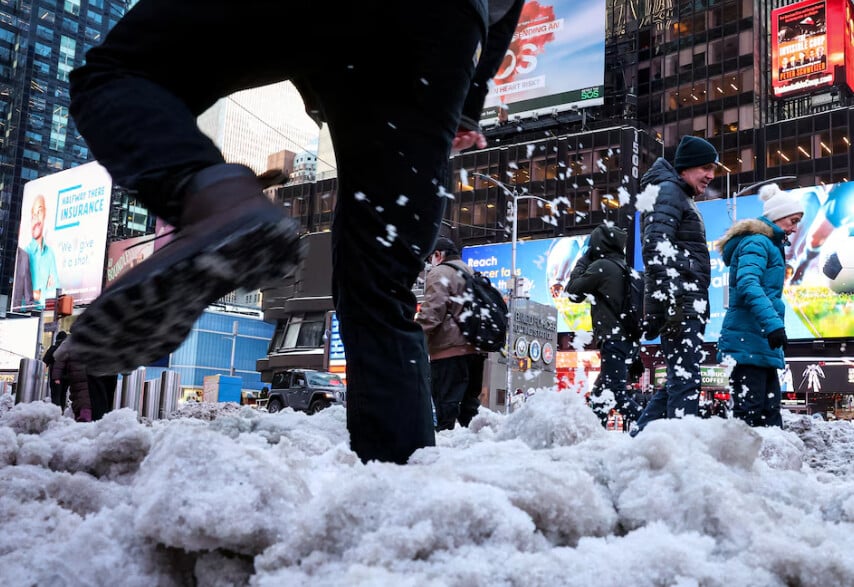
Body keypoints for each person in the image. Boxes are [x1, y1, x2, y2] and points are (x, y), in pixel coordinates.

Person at [65, 0, 524, 464]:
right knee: (379, 290)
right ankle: (399, 486)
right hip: (439, 31)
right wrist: (468, 102)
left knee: (118, 73)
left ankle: (213, 199)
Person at [632, 135, 716, 435]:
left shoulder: (677, 194)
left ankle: (639, 439)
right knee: (685, 379)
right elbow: (655, 248)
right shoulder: (669, 191)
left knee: (681, 379)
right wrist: (676, 300)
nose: (711, 175)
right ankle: (683, 446)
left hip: (684, 302)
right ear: (686, 166)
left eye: (713, 168)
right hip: (680, 303)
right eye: (705, 167)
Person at [716, 184, 804, 427]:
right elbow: (748, 284)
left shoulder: (769, 245)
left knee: (768, 416)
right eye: (793, 220)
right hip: (749, 343)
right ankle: (742, 466)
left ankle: (767, 466)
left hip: (757, 342)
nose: (795, 228)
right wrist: (774, 324)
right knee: (751, 419)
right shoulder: (757, 243)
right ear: (777, 217)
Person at [564, 223, 642, 426]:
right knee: (600, 393)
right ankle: (594, 436)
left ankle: (649, 426)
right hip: (627, 339)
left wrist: (583, 260)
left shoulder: (602, 267)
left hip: (613, 339)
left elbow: (572, 292)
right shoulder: (625, 268)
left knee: (616, 393)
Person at [415, 237, 486, 430]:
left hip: (449, 352)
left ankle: (446, 452)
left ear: (438, 255)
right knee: (469, 408)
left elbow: (433, 312)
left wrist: (413, 335)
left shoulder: (440, 272)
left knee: (446, 407)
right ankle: (474, 449)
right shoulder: (472, 272)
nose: (430, 263)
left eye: (431, 258)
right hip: (476, 351)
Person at [26, 194, 60, 310]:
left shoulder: (50, 253)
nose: (36, 219)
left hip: (46, 314)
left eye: (39, 212)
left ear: (44, 214)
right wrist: (42, 293)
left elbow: (56, 293)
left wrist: (37, 294)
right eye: (33, 214)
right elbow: (23, 294)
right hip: (25, 315)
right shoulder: (25, 254)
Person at [51, 343, 93, 422]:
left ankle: (81, 415)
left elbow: (60, 360)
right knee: (84, 394)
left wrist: (56, 376)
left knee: (78, 394)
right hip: (87, 372)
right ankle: (85, 415)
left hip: (75, 374)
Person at [42, 330, 69, 408]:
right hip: (67, 377)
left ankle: (56, 413)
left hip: (56, 377)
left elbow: (44, 362)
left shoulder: (53, 349)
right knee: (63, 394)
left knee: (56, 395)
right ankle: (61, 413)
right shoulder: (68, 350)